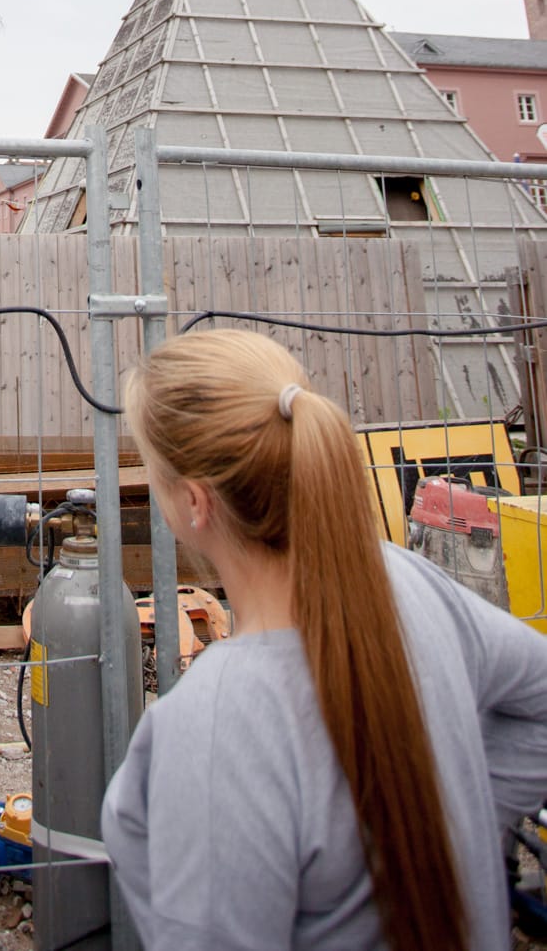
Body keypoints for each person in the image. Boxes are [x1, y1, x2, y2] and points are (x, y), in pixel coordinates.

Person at [101, 328, 547, 951]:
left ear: (194, 503)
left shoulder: (215, 726)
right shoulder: (406, 581)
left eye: (151, 468)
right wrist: (457, 824)